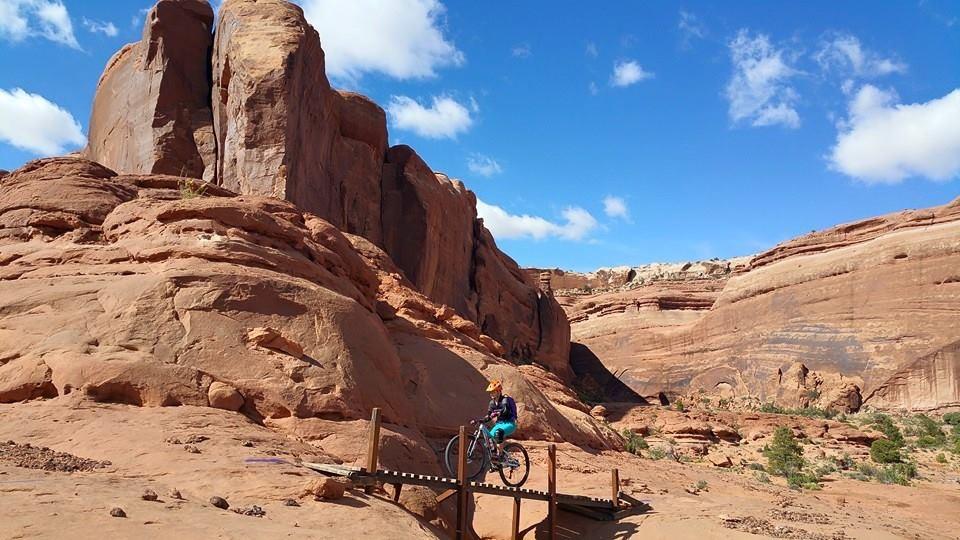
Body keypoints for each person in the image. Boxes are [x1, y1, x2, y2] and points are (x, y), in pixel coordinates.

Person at [478, 380, 517, 464]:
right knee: (488, 438)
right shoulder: (492, 403)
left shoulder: (504, 400)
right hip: (499, 424)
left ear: (499, 391)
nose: (491, 394)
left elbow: (505, 410)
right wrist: (481, 420)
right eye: (490, 392)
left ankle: (500, 455)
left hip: (509, 423)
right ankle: (495, 462)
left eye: (493, 392)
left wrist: (498, 413)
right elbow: (488, 416)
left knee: (498, 433)